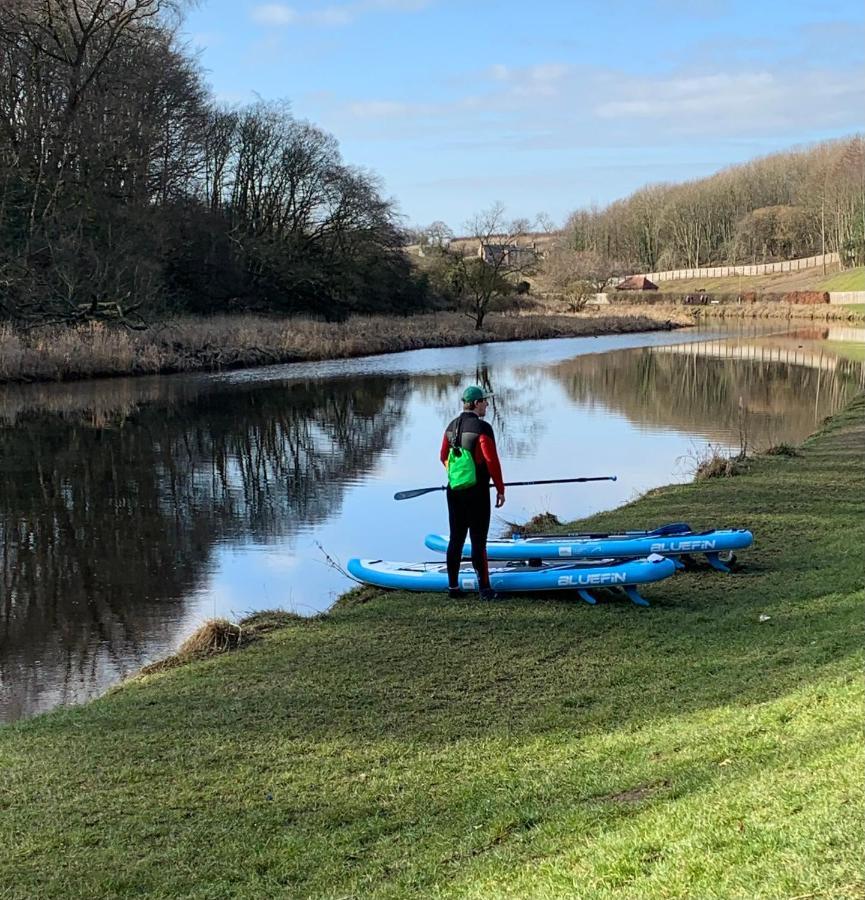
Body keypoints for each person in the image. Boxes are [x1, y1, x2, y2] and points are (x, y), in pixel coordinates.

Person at [439, 385, 505, 600]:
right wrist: (500, 488)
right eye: (485, 401)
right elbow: (490, 460)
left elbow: (443, 457)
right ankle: (485, 589)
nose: (487, 404)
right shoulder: (482, 428)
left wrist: (457, 476)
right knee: (478, 539)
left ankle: (453, 588)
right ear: (476, 403)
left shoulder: (450, 427)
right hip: (477, 492)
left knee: (456, 538)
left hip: (454, 490)